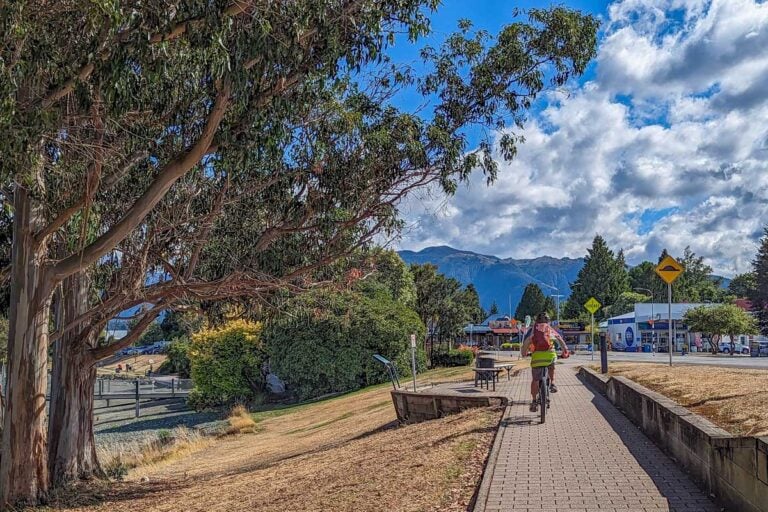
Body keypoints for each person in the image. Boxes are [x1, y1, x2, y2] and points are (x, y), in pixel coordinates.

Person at [521, 312, 569, 413]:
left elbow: (526, 342)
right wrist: (565, 351)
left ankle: (534, 401)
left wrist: (524, 353)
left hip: (536, 358)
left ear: (536, 321)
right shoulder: (549, 329)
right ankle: (552, 383)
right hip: (549, 356)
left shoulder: (533, 331)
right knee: (551, 365)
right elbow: (559, 339)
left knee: (535, 380)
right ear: (548, 321)